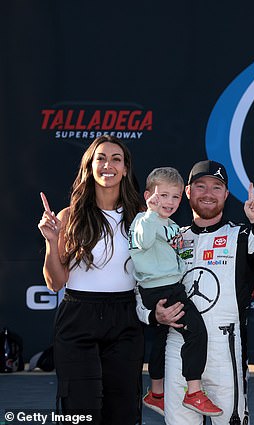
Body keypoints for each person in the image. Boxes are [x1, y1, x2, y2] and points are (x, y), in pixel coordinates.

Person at [136, 159, 254, 425]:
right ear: (187, 192)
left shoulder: (243, 235)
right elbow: (141, 290)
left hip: (226, 350)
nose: (208, 194)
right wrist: (154, 316)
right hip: (178, 347)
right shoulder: (170, 237)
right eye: (200, 186)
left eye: (216, 187)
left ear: (226, 194)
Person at [37, 135, 145, 424]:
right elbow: (55, 283)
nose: (108, 164)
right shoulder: (69, 217)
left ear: (125, 169)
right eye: (101, 158)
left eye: (116, 159)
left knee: (122, 409)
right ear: (89, 166)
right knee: (80, 410)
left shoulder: (141, 218)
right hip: (78, 318)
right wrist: (51, 241)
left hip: (126, 318)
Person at [129, 167, 222, 417]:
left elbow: (176, 254)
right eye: (163, 196)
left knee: (161, 339)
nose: (169, 202)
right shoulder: (143, 220)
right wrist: (149, 213)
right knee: (197, 333)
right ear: (149, 195)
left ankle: (156, 393)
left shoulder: (170, 225)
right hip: (161, 289)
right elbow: (143, 242)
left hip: (170, 286)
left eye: (176, 196)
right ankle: (194, 391)